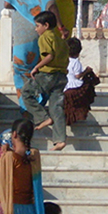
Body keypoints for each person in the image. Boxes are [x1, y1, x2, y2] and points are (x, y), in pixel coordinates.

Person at [5, 0, 64, 110]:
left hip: (21, 28)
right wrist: (60, 26)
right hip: (40, 27)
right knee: (41, 65)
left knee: (21, 67)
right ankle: (39, 103)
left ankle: (26, 107)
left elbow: (7, 3)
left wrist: (24, 8)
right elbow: (51, 5)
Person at [22, 11, 69, 151]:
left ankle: (42, 117)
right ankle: (60, 140)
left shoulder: (44, 38)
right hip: (61, 76)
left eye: (37, 26)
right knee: (56, 107)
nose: (36, 29)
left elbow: (49, 56)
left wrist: (36, 67)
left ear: (46, 25)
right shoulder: (60, 40)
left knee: (26, 93)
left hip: (48, 75)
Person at [0, 119, 47, 214]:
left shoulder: (8, 157)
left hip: (11, 210)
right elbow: (22, 156)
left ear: (14, 134)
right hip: (30, 211)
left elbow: (3, 186)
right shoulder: (34, 156)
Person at [63, 37, 98, 125]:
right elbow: (78, 76)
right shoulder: (76, 62)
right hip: (74, 86)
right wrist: (86, 71)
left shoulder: (64, 60)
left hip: (65, 86)